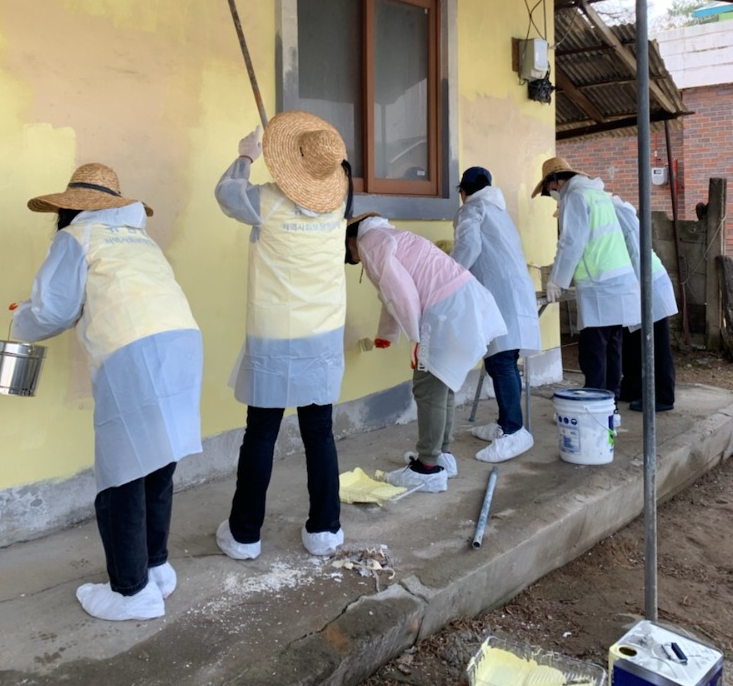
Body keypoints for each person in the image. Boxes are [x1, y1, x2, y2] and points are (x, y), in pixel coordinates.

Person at [11, 163, 203, 621]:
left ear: (69, 208)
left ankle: (131, 592)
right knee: (157, 464)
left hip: (134, 352)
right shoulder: (139, 238)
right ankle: (156, 567)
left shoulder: (75, 238)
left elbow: (54, 309)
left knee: (119, 476)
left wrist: (21, 321)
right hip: (182, 344)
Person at [214, 111, 351, 560]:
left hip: (275, 337)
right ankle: (325, 530)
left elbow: (226, 194)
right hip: (323, 335)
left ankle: (245, 535)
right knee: (320, 434)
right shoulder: (339, 206)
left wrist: (246, 156)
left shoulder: (265, 202)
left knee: (261, 435)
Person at [345, 214, 506, 491]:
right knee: (441, 385)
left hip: (445, 311)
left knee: (427, 386)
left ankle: (427, 468)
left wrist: (416, 340)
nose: (355, 259)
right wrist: (387, 334)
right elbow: (392, 293)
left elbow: (402, 294)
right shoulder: (391, 236)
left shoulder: (370, 243)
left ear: (351, 239)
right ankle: (442, 456)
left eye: (351, 255)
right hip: (465, 302)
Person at [532, 157, 640, 410]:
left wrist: (556, 280)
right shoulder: (598, 195)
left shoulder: (576, 197)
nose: (553, 195)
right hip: (620, 284)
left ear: (555, 180)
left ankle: (594, 406)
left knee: (593, 352)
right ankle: (609, 403)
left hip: (600, 286)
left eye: (550, 191)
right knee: (612, 348)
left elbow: (571, 242)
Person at [452, 166, 541, 462]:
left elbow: (468, 246)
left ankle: (514, 430)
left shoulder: (472, 209)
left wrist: (448, 277)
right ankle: (506, 424)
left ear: (464, 191)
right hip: (514, 292)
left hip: (500, 295)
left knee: (501, 362)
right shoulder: (498, 211)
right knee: (503, 361)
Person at [611, 194, 677, 411]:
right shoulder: (619, 212)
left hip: (648, 284)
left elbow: (630, 253)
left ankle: (663, 396)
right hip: (638, 285)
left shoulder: (617, 215)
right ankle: (633, 387)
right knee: (632, 342)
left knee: (656, 344)